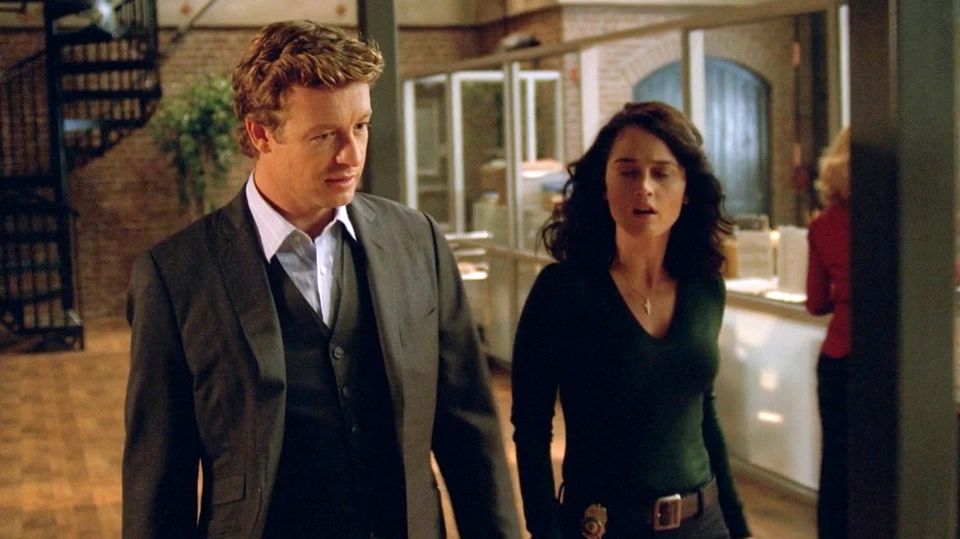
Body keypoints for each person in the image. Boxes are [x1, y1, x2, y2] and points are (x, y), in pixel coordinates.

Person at [122, 20, 521, 539]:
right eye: (324, 135)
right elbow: (159, 480)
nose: (351, 154)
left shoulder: (416, 240)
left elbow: (470, 432)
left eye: (361, 126)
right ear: (260, 134)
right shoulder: (176, 275)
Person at [511, 101, 751, 539]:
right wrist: (545, 531)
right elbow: (530, 429)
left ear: (687, 188)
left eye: (662, 173)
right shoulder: (562, 291)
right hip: (603, 527)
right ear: (603, 185)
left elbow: (703, 413)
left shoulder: (704, 287)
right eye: (627, 172)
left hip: (703, 524)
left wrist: (738, 527)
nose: (644, 188)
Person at [805, 126, 851, 539]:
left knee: (836, 466)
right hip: (892, 361)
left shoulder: (823, 225)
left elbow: (816, 302)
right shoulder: (905, 222)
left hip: (838, 359)